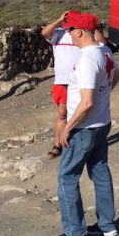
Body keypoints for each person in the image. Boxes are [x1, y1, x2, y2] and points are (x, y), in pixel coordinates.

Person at [48, 12, 119, 236]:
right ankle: (107, 225)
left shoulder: (87, 59)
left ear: (79, 32)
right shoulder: (105, 51)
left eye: (70, 30)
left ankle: (75, 233)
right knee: (99, 171)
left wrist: (67, 128)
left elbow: (86, 102)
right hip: (102, 123)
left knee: (67, 176)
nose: (68, 34)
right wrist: (103, 95)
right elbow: (116, 75)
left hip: (84, 127)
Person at [41, 10, 82, 159]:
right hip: (62, 81)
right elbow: (45, 33)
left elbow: (101, 42)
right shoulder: (58, 34)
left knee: (80, 112)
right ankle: (58, 144)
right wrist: (59, 20)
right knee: (62, 113)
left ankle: (75, 142)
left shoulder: (81, 34)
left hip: (79, 81)